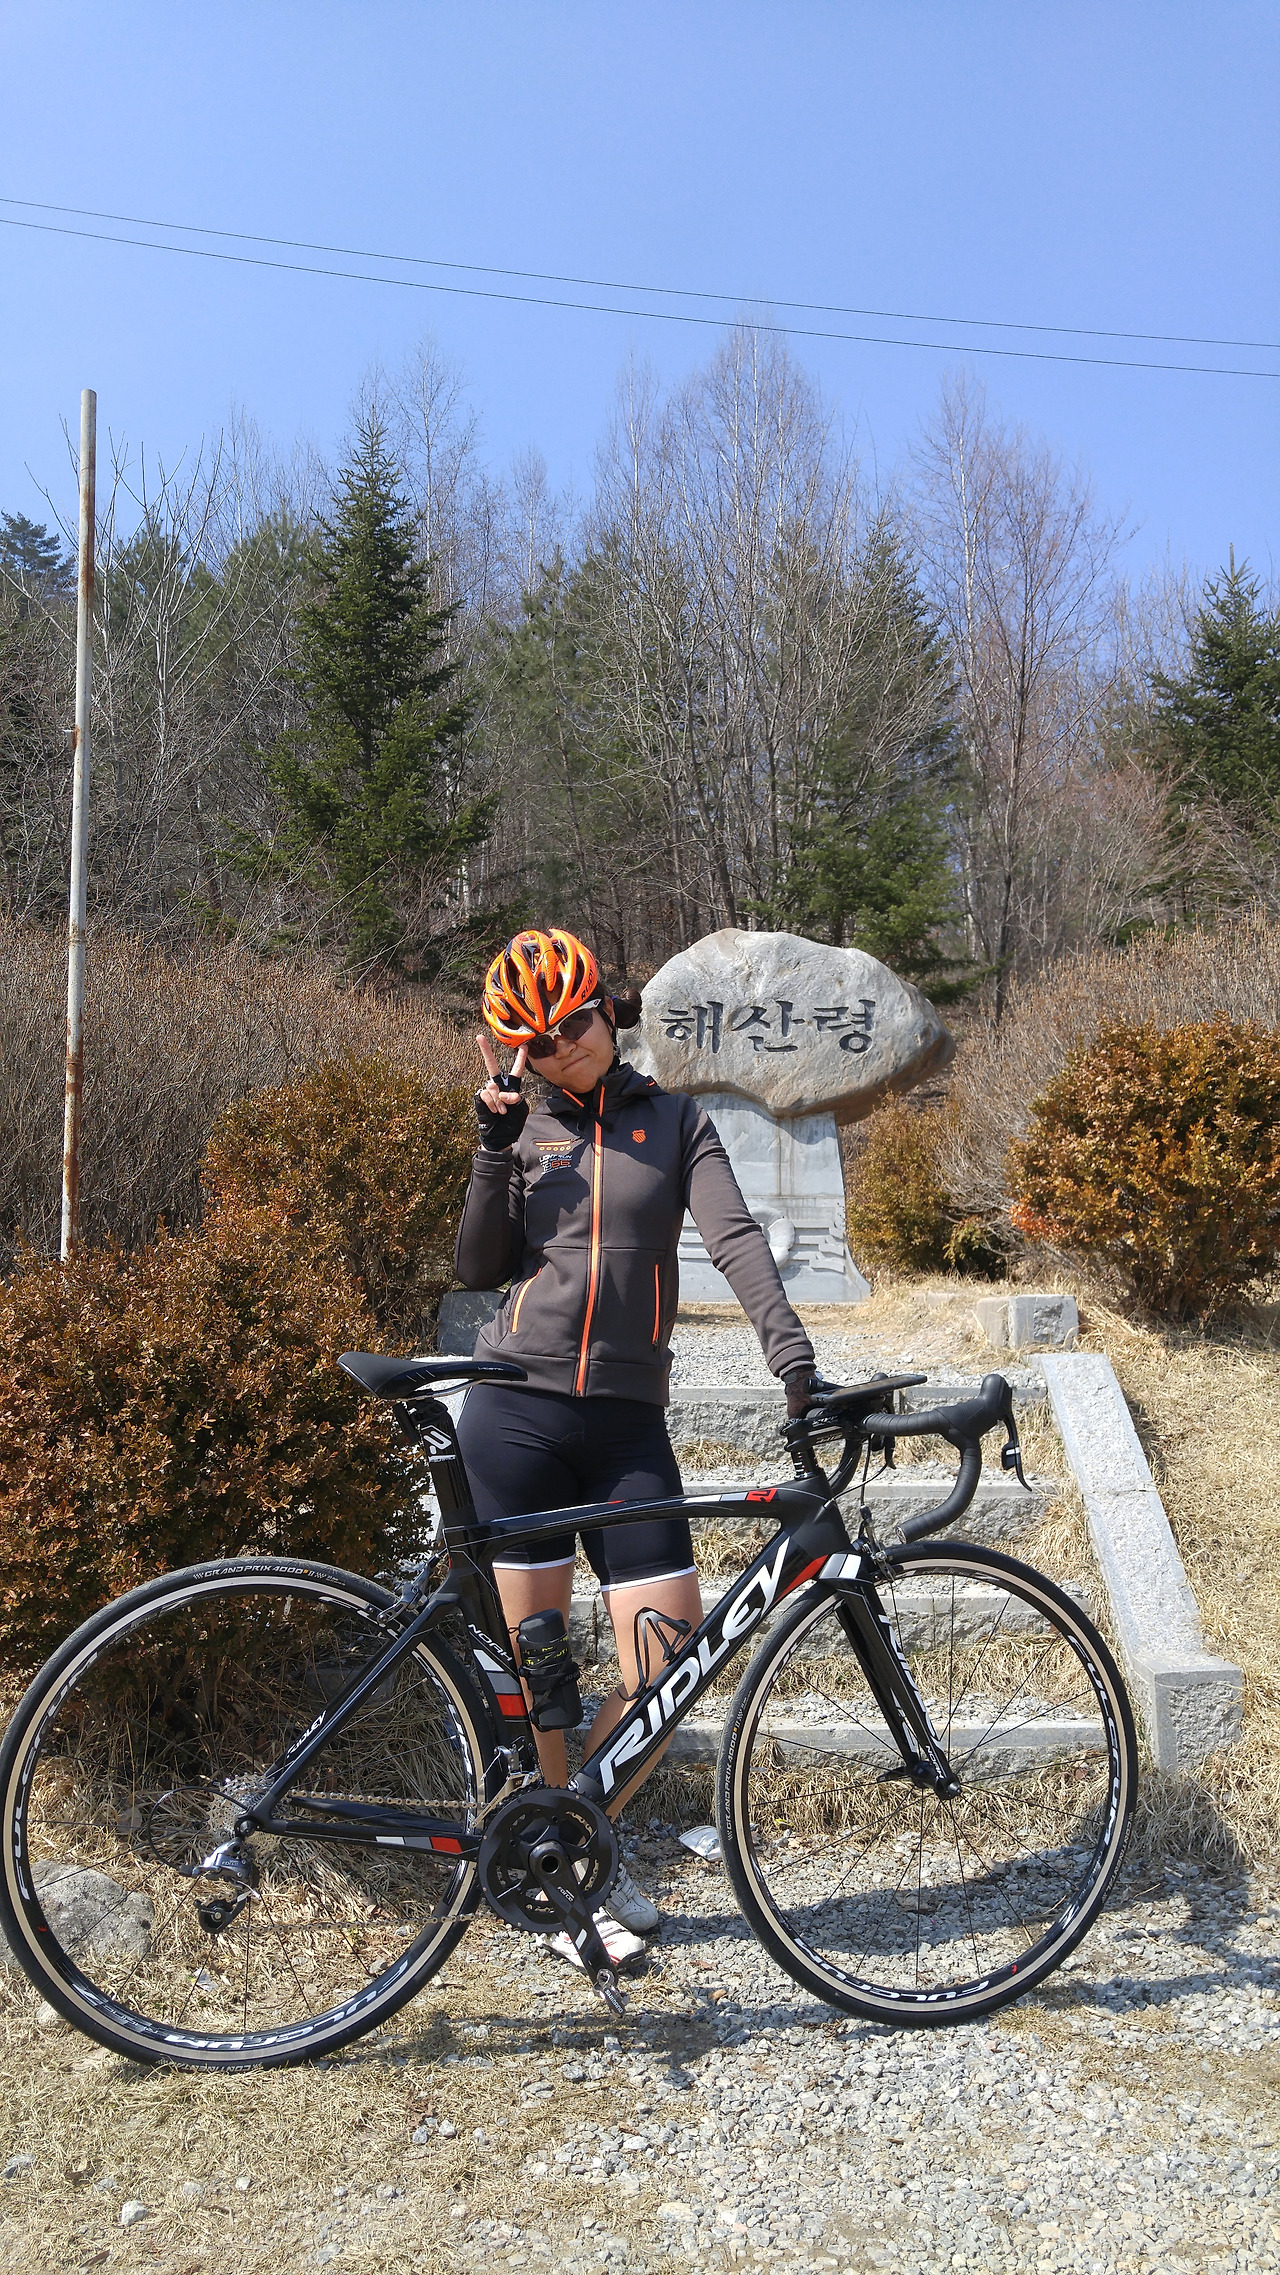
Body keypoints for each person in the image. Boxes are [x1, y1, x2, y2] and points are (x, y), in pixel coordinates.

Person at [453, 926, 821, 1966]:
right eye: (534, 1041)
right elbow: (478, 1267)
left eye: (571, 1024)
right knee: (539, 1674)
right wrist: (492, 1147)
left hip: (625, 1424)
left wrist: (791, 1357)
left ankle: (572, 1836)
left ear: (605, 1008)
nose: (560, 1048)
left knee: (671, 1659)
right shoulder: (523, 1126)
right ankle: (560, 1877)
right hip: (513, 1414)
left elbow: (735, 1240)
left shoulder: (676, 1120)